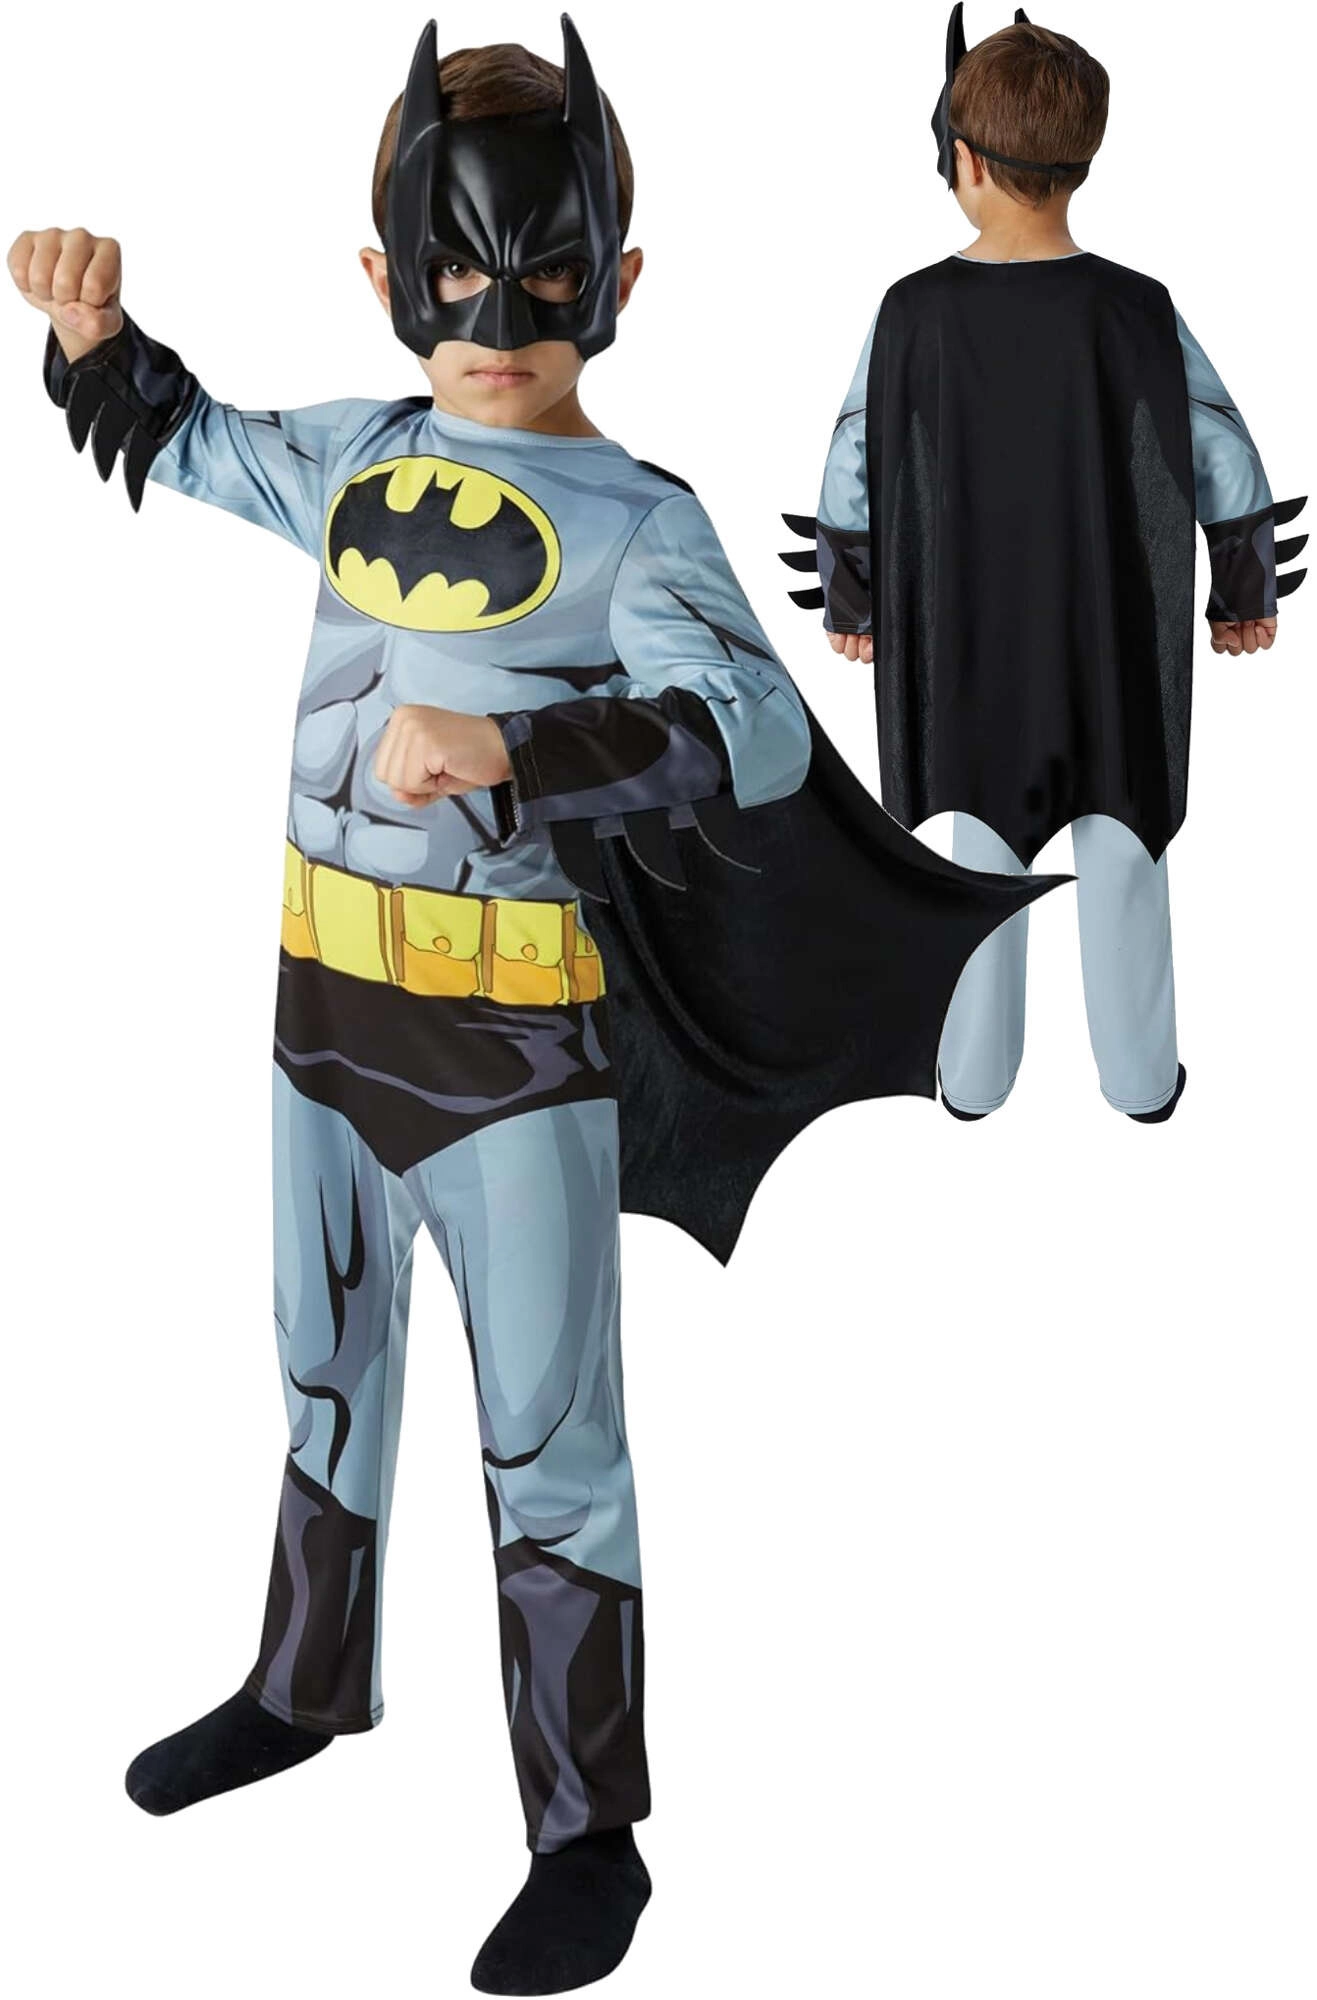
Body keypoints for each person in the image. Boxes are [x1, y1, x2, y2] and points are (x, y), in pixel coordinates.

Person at [10, 14, 1053, 1995]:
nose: (495, 322)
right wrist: (92, 336)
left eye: (544, 280)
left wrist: (521, 756)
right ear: (383, 274)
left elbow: (751, 731)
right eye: (452, 274)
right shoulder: (355, 455)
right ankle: (305, 1685)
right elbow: (192, 439)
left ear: (618, 280)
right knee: (321, 1363)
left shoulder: (639, 523)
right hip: (320, 1020)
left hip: (511, 1061)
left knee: (551, 1440)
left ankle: (589, 1836)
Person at [783, 6, 1306, 1123]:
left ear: (963, 159)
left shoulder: (912, 313)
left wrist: (854, 600)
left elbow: (853, 455)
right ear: (1082, 157)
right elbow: (1216, 440)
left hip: (969, 648)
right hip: (1109, 643)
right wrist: (1241, 586)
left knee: (973, 854)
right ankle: (1140, 1078)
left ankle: (973, 1076)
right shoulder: (1135, 309)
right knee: (1124, 848)